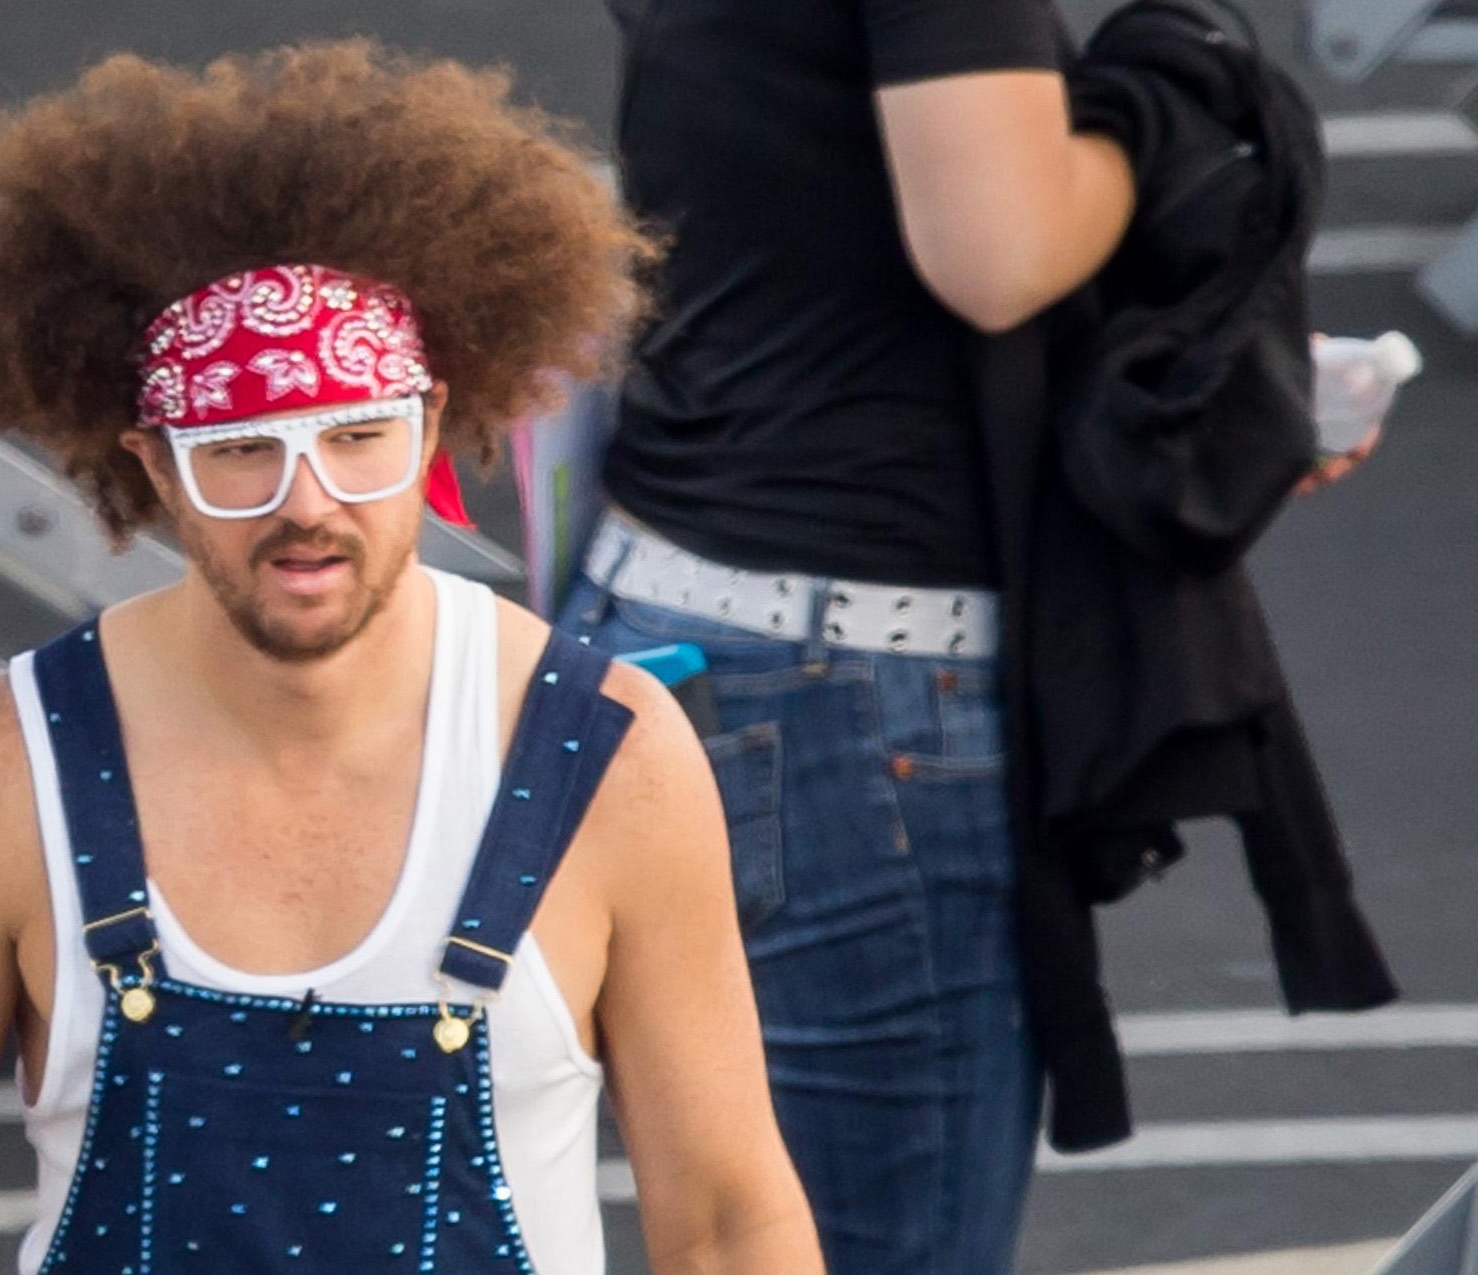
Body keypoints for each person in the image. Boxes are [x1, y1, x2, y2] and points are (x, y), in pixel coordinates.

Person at [0, 42, 821, 1274]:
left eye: (356, 437)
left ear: (429, 422)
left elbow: (732, 1227)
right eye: (240, 450)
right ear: (153, 467)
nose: (305, 503)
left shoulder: (608, 756)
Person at [564, 1, 1388, 1272]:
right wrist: (1157, 113)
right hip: (854, 685)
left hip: (676, 611)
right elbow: (995, 251)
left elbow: (806, 199)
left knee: (729, 1226)